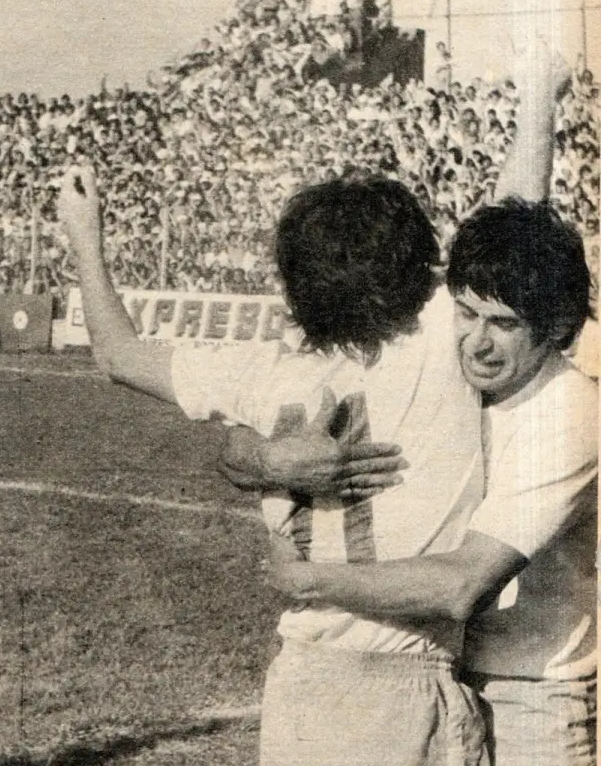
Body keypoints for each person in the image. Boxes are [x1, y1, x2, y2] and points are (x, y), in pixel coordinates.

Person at [59, 45, 559, 763]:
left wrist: (85, 235)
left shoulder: (259, 372)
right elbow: (518, 218)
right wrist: (539, 95)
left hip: (299, 680)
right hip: (401, 680)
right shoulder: (434, 345)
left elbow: (116, 354)